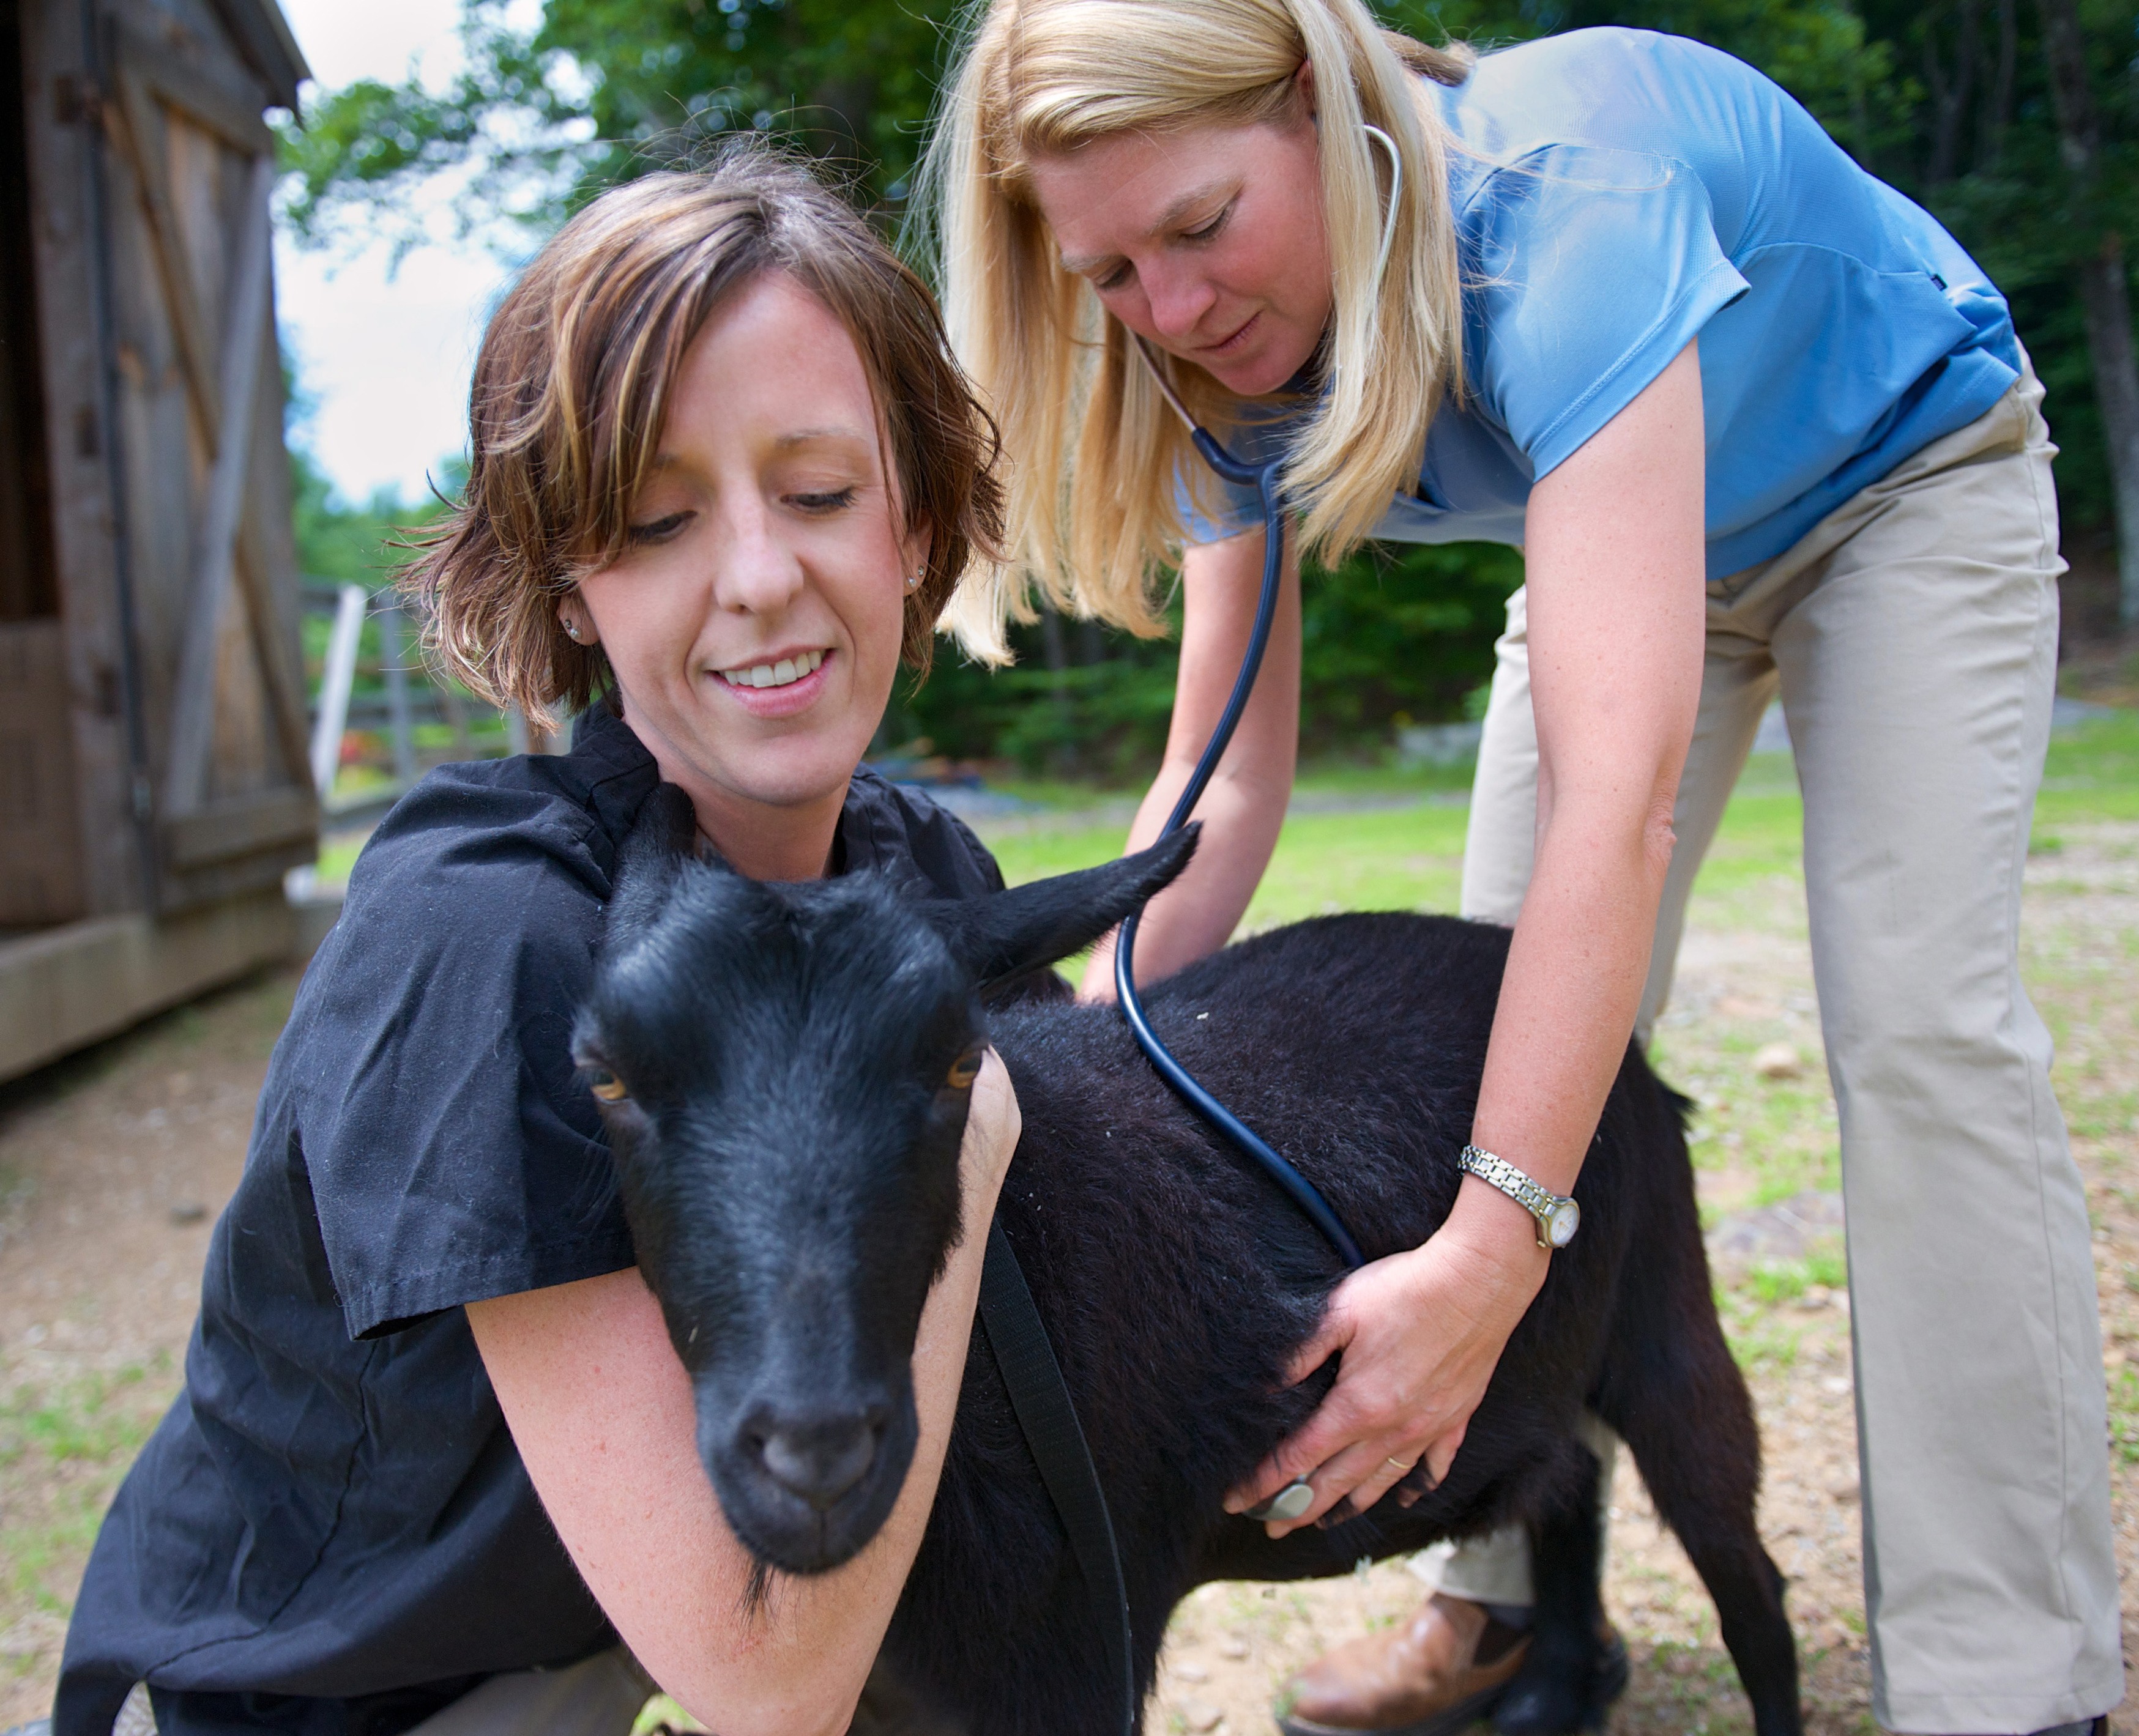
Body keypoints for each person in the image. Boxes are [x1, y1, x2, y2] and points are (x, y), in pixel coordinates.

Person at [927, 7, 2121, 1736]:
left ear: (1325, 110)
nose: (1171, 310)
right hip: (1630, 562)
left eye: (1200, 228)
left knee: (1921, 1040)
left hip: (1900, 485)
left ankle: (2008, 1678)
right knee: (1464, 1035)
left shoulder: (1562, 195)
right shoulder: (1187, 355)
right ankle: (1491, 1599)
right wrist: (1065, 1077)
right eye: (1109, 273)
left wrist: (1500, 1242)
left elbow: (1613, 798)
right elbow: (1224, 778)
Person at [51, 146, 1019, 1736]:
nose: (761, 579)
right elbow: (765, 1680)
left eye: (822, 491)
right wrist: (965, 1133)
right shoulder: (489, 940)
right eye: (654, 521)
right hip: (350, 1703)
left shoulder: (920, 879)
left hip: (615, 1642)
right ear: (571, 584)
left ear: (912, 523)